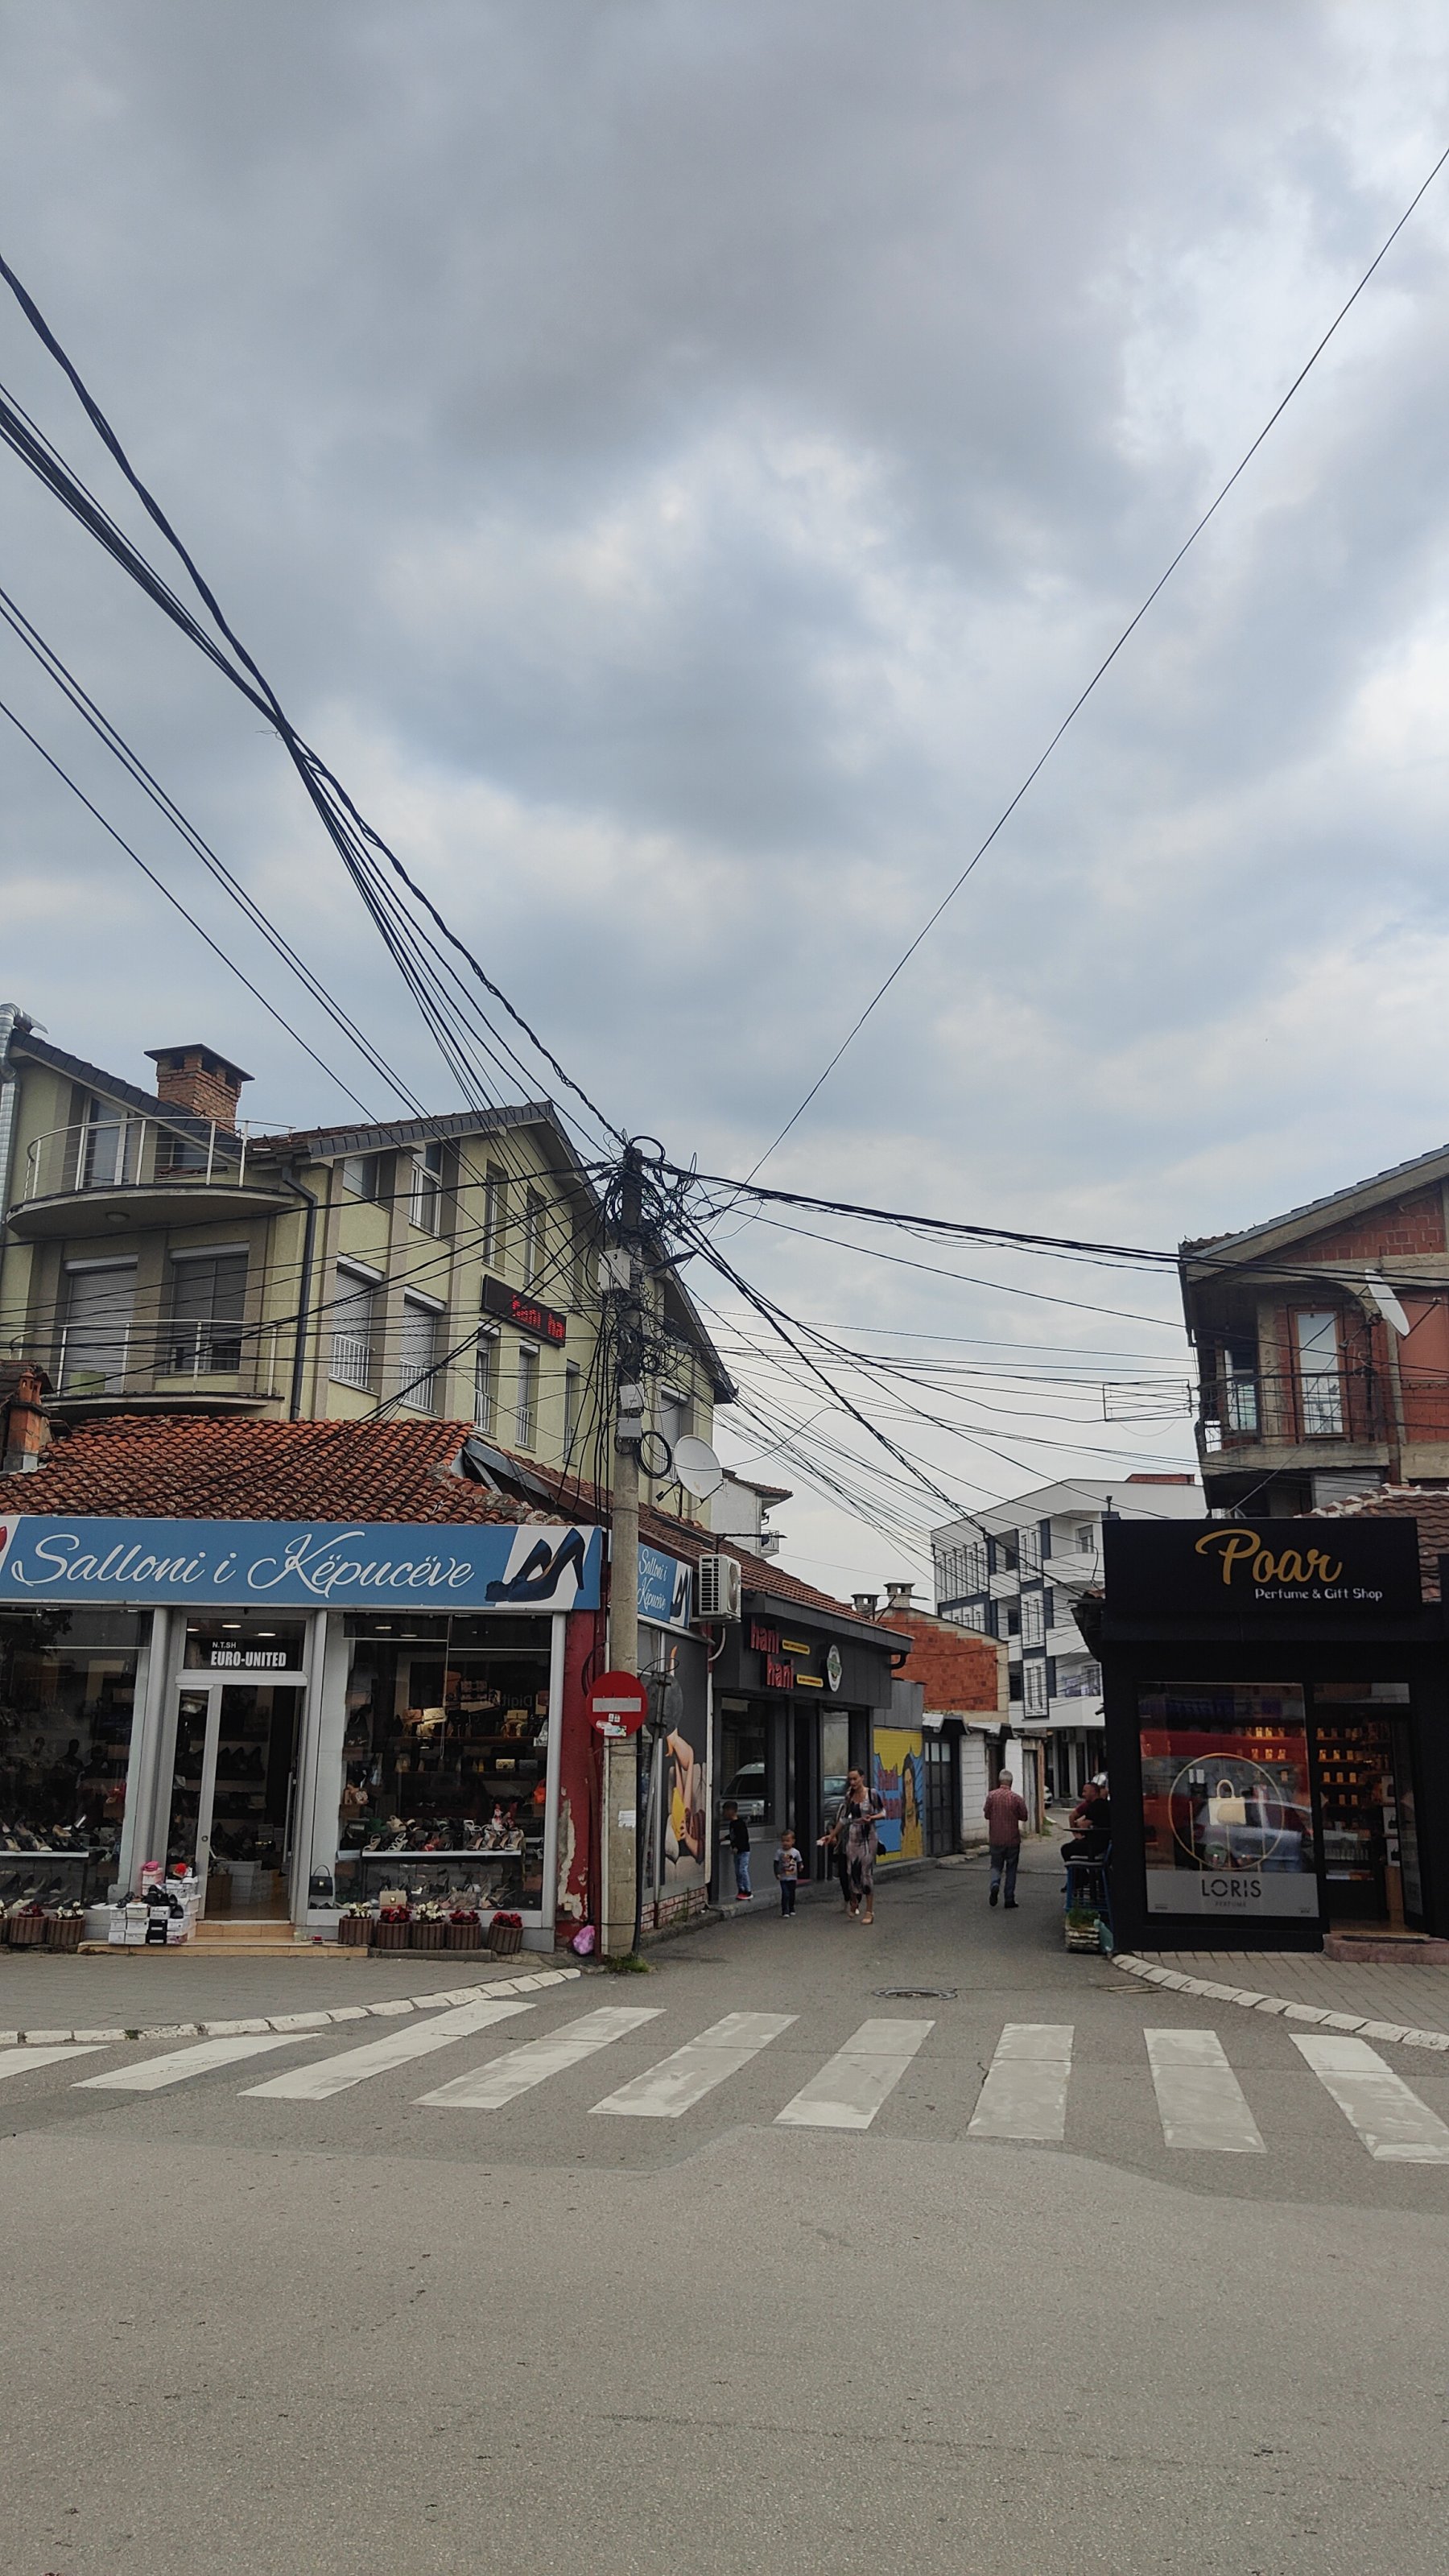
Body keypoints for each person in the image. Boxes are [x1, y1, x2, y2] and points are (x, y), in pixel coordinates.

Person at [822, 1766, 886, 1925]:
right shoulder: (849, 1796)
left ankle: (869, 1911)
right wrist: (832, 1835)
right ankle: (854, 1901)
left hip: (869, 1835)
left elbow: (883, 1812)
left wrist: (872, 1818)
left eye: (855, 1779)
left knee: (866, 1872)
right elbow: (844, 1819)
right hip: (853, 1835)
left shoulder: (872, 1794)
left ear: (862, 1778)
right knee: (851, 1872)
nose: (852, 1782)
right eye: (850, 1779)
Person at [983, 1769, 1030, 1909]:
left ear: (1000, 1781)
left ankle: (995, 1883)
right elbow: (1024, 1816)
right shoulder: (1017, 1798)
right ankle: (1009, 1899)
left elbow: (987, 1814)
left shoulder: (991, 1796)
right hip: (1012, 1840)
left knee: (996, 1865)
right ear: (1011, 1782)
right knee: (1011, 1869)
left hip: (996, 1838)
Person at [722, 1800, 752, 1900]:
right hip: (737, 1852)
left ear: (731, 1811)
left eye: (725, 1811)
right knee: (738, 1871)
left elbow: (743, 1837)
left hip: (743, 1851)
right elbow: (733, 1835)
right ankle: (741, 1889)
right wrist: (724, 1839)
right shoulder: (732, 1824)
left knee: (743, 1870)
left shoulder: (740, 1824)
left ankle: (748, 1890)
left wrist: (737, 1847)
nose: (724, 1813)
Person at [774, 1827, 807, 1917]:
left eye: (787, 1841)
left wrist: (801, 1866)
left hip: (793, 1877)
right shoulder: (779, 1852)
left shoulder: (796, 1852)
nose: (785, 1843)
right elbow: (776, 1863)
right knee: (785, 1894)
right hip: (783, 1877)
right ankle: (785, 1910)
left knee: (792, 1893)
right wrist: (777, 1873)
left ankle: (791, 1907)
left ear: (793, 1841)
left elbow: (799, 1861)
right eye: (783, 1841)